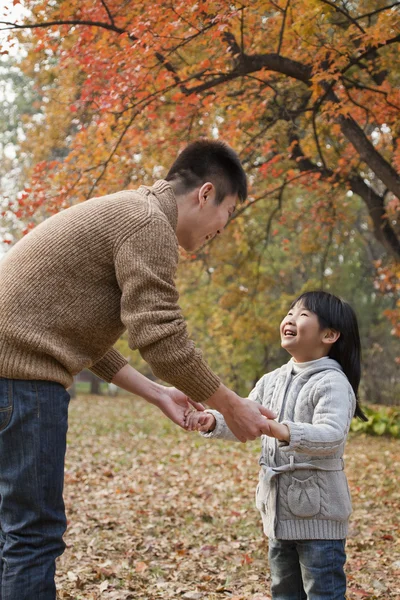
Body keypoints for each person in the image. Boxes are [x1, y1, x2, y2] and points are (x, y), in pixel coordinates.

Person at [0, 139, 277, 600]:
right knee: (32, 538)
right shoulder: (148, 223)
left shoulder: (130, 212)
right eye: (228, 212)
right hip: (23, 384)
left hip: (12, 375)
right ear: (205, 194)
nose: (222, 228)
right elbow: (160, 337)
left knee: (12, 534)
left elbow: (76, 336)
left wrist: (158, 392)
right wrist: (232, 405)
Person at [185, 290, 368, 600]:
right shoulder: (272, 380)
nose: (290, 318)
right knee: (284, 593)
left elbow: (331, 435)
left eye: (303, 314)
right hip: (278, 515)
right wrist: (214, 421)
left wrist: (278, 428)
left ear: (329, 334)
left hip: (319, 520)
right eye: (290, 312)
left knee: (323, 593)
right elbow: (245, 418)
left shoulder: (332, 382)